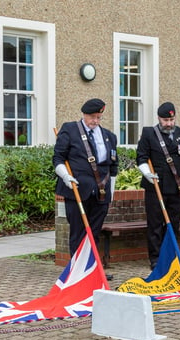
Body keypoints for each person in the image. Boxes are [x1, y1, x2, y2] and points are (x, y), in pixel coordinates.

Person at [53, 98, 119, 263]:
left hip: (101, 193)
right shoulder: (70, 130)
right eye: (92, 117)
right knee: (78, 232)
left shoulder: (109, 136)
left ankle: (92, 268)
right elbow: (58, 159)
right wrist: (66, 176)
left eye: (98, 117)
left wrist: (112, 190)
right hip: (76, 190)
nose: (95, 121)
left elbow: (113, 165)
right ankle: (77, 270)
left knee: (94, 233)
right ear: (84, 114)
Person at [136, 102, 180, 270]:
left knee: (174, 222)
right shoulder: (149, 133)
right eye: (166, 120)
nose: (169, 123)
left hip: (177, 187)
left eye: (171, 119)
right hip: (156, 186)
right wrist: (146, 172)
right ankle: (155, 258)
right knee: (155, 223)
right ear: (159, 119)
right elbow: (141, 157)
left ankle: (170, 255)